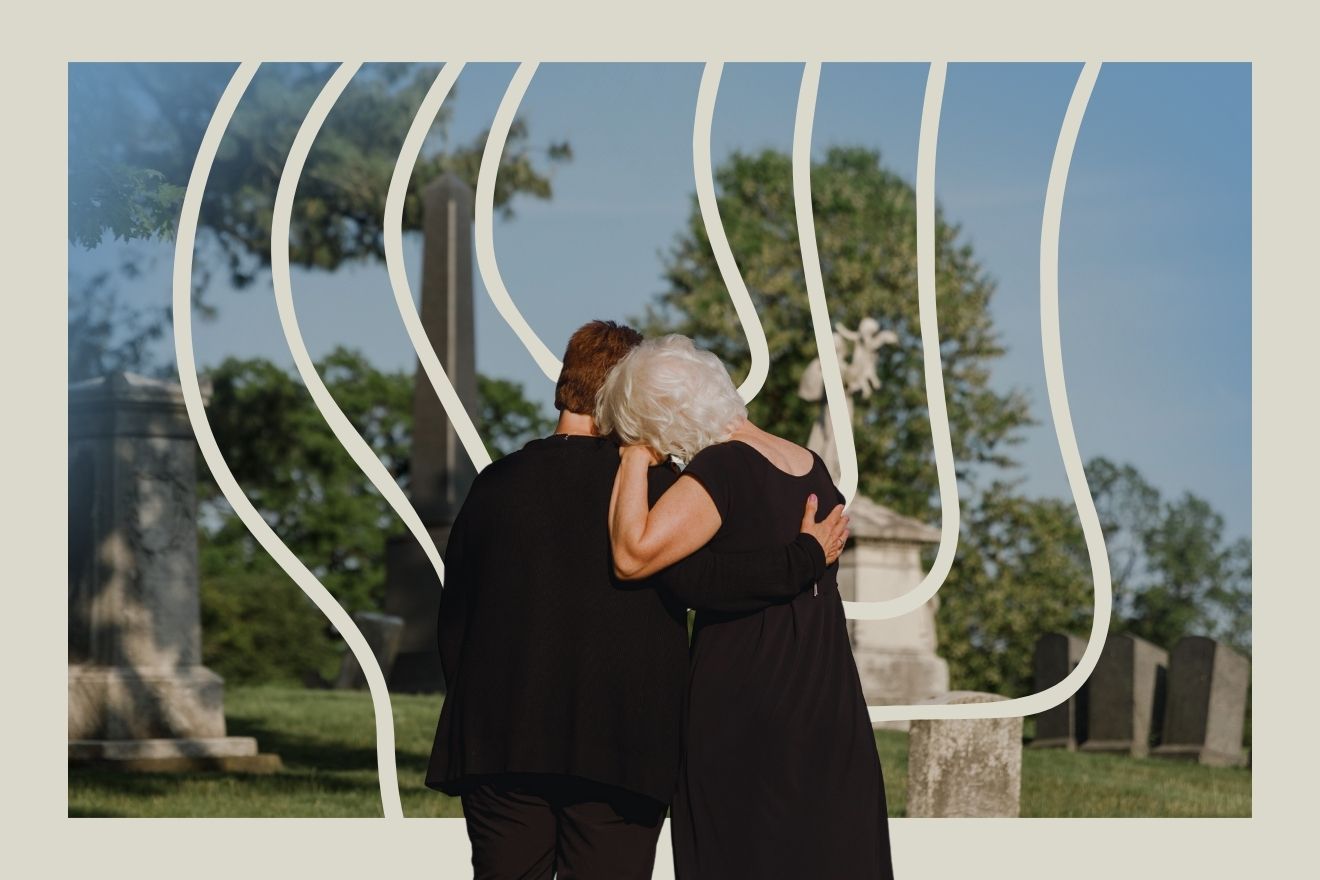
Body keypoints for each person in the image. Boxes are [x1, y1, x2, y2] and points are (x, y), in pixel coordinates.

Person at [424, 320, 850, 880]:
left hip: (498, 742)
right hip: (619, 748)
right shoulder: (655, 488)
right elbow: (705, 583)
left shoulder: (494, 485)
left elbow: (454, 619)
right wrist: (803, 557)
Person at [597, 333, 897, 880]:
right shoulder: (812, 468)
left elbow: (632, 555)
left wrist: (636, 458)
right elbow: (715, 578)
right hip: (828, 706)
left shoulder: (723, 469)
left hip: (747, 710)